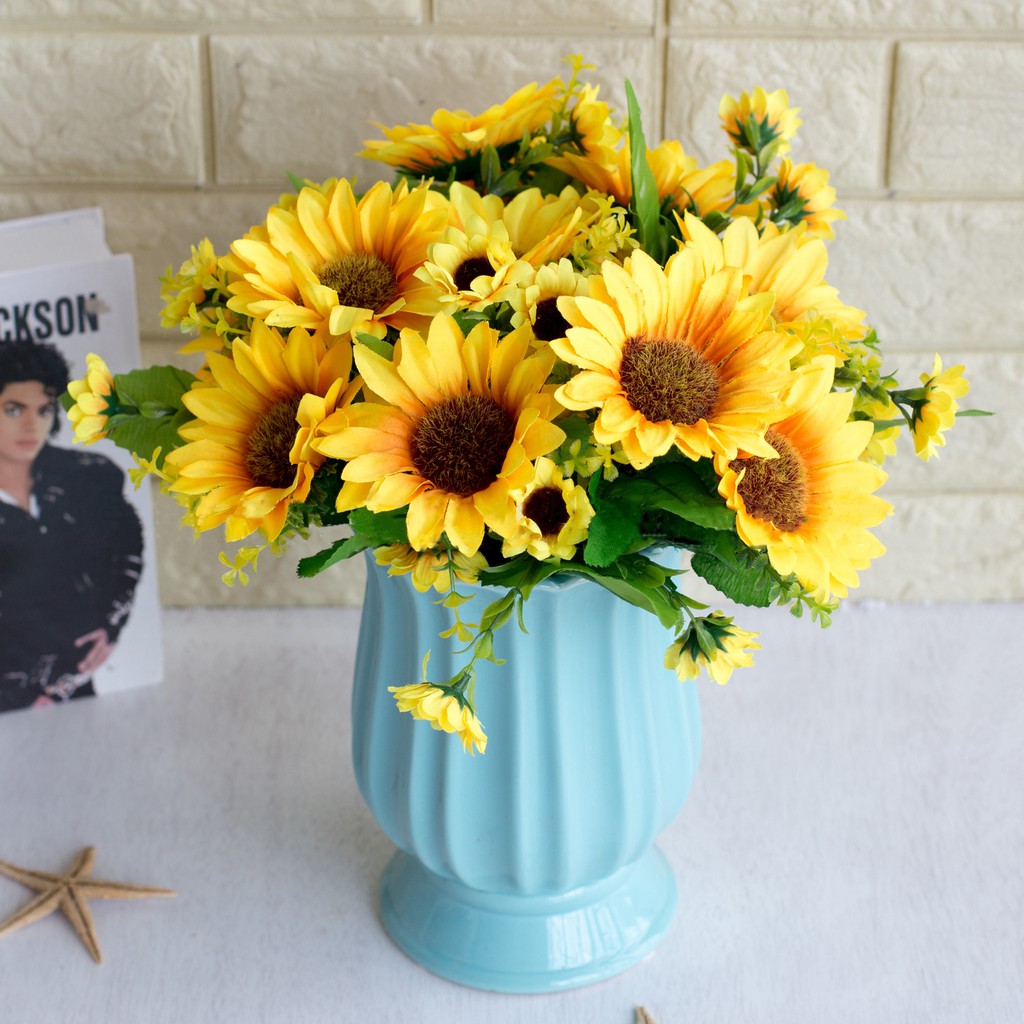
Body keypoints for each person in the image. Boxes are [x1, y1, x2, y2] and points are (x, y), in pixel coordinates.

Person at [0, 339, 143, 711]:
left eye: (44, 410)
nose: (32, 425)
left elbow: (126, 548)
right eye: (13, 409)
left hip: (75, 686)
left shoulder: (90, 478)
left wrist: (110, 624)